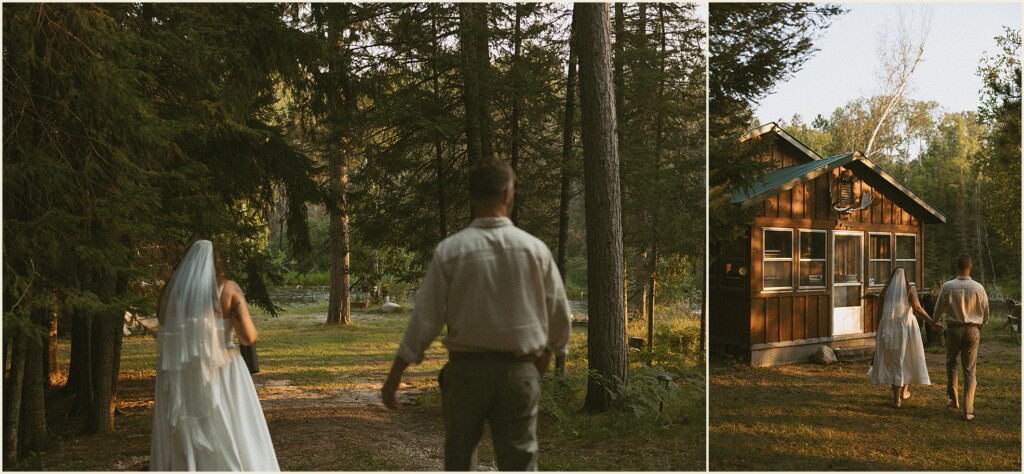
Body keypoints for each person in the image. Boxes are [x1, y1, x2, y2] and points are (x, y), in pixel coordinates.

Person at [381, 157, 572, 471]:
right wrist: (539, 366)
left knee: (460, 459)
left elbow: (425, 319)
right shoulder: (535, 249)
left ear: (471, 197)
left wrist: (395, 375)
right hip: (519, 372)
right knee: (520, 462)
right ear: (508, 195)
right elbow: (559, 318)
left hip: (466, 375)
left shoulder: (452, 250)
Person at [150, 240, 280, 471]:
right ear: (217, 262)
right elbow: (248, 337)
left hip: (185, 375)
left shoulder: (172, 294)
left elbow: (164, 323)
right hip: (223, 370)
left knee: (188, 428)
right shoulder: (228, 289)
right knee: (230, 424)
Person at [869, 267, 942, 407]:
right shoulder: (910, 290)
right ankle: (904, 391)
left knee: (893, 360)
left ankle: (897, 398)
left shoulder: (885, 291)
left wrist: (878, 331)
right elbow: (918, 309)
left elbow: (878, 313)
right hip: (906, 328)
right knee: (906, 358)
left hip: (888, 328)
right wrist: (932, 322)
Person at [933, 253, 990, 421]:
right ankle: (968, 409)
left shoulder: (948, 286)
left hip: (953, 330)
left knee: (951, 363)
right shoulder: (979, 287)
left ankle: (953, 399)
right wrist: (981, 324)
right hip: (973, 330)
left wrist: (935, 321)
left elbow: (938, 310)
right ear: (970, 268)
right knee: (969, 370)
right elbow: (986, 312)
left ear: (956, 267)